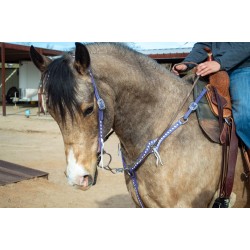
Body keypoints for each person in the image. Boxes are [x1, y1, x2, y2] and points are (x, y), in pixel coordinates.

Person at [172, 42, 250, 160]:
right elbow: (203, 44)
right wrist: (186, 63)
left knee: (244, 116)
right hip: (213, 68)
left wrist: (220, 63)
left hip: (242, 68)